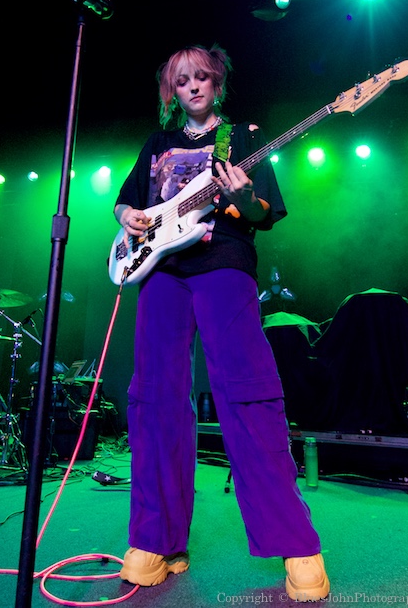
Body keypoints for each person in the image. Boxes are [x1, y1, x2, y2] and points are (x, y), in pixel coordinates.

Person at [113, 44, 330, 602]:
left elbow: (263, 216)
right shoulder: (157, 144)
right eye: (181, 80)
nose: (192, 87)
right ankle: (157, 541)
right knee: (155, 398)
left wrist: (244, 196)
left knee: (248, 393)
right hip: (161, 272)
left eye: (201, 77)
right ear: (171, 90)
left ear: (217, 83)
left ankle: (296, 543)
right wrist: (130, 217)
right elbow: (127, 203)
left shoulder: (245, 138)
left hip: (224, 264)